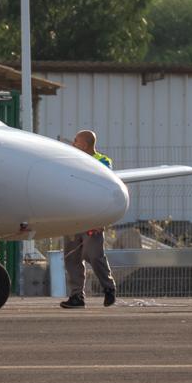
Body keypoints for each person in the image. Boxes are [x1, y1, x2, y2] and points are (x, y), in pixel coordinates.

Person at [60, 130, 117, 308]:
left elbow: (105, 189)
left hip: (92, 218)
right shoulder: (71, 161)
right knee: (71, 258)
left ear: (84, 145)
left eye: (76, 141)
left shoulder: (103, 162)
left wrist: (102, 219)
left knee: (94, 256)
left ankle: (108, 287)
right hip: (73, 217)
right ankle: (77, 296)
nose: (73, 144)